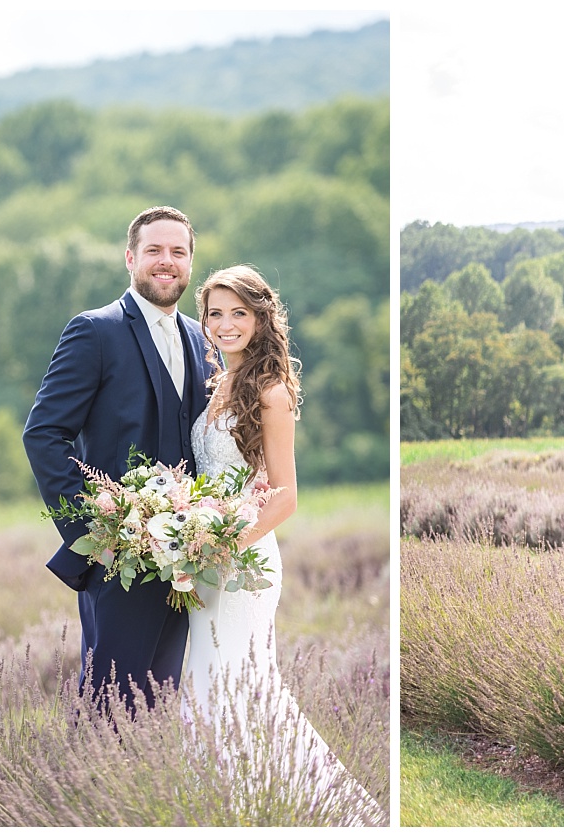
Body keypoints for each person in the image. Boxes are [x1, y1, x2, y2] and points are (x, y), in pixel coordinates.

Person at [185, 264, 383, 823]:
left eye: (237, 313)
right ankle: (223, 807)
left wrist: (222, 547)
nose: (225, 324)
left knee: (240, 686)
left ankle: (292, 808)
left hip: (242, 562)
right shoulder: (219, 384)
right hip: (204, 561)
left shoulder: (269, 391)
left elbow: (286, 495)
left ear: (260, 318)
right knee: (205, 685)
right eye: (215, 313)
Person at [26, 205, 211, 712]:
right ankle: (82, 794)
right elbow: (42, 435)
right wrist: (95, 536)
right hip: (117, 561)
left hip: (184, 568)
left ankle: (138, 795)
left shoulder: (202, 338)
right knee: (106, 713)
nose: (166, 261)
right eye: (154, 250)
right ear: (131, 258)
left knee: (156, 713)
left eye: (178, 251)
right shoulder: (95, 331)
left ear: (190, 263)